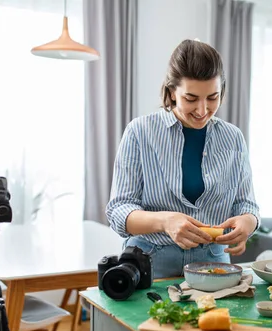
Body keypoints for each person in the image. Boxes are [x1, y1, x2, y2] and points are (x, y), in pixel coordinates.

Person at [106, 39, 260, 279]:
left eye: (212, 97)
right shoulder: (140, 131)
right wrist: (165, 221)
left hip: (214, 260)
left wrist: (248, 223)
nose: (202, 110)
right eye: (191, 98)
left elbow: (246, 204)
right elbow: (118, 210)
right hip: (150, 258)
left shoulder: (233, 137)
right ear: (172, 92)